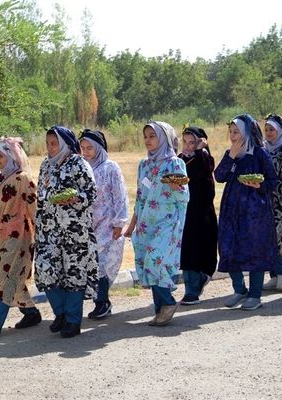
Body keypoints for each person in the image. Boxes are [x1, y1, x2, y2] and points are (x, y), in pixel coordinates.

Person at [0, 137, 42, 337]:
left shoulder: (23, 179)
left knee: (6, 275)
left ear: (12, 156)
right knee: (13, 276)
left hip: (17, 235)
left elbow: (34, 208)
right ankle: (31, 313)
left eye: (1, 156)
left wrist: (44, 233)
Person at [124, 121, 189, 326]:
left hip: (167, 222)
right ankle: (160, 309)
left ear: (164, 138)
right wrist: (132, 226)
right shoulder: (144, 165)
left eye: (153, 136)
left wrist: (175, 185)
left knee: (155, 260)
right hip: (145, 224)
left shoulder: (175, 164)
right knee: (146, 261)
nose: (148, 141)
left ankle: (168, 303)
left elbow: (184, 196)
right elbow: (141, 198)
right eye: (146, 136)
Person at [35, 125, 98, 338]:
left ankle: (72, 320)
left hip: (75, 230)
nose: (50, 148)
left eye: (54, 144)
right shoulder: (45, 165)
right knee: (46, 270)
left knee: (74, 274)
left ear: (64, 144)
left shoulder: (79, 163)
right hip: (48, 229)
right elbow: (41, 195)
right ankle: (60, 312)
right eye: (48, 144)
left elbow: (91, 193)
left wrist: (76, 198)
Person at [214, 114, 279, 310]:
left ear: (246, 133)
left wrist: (259, 185)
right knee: (228, 248)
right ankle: (239, 290)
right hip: (231, 211)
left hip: (255, 213)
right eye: (231, 132)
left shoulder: (260, 153)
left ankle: (255, 295)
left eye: (237, 132)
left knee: (254, 252)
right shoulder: (231, 154)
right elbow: (219, 176)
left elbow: (273, 182)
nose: (233, 136)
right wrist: (231, 155)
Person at [78, 129, 128, 319]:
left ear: (99, 147)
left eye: (90, 148)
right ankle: (99, 300)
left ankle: (102, 302)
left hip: (107, 224)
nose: (86, 152)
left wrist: (119, 222)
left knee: (102, 264)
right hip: (87, 225)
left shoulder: (110, 167)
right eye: (83, 148)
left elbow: (120, 195)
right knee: (91, 264)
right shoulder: (82, 167)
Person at [177, 126, 218, 305]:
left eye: (192, 142)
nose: (187, 146)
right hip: (185, 214)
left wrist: (201, 149)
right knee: (187, 252)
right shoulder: (179, 160)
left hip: (202, 215)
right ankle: (191, 291)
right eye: (185, 142)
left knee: (202, 251)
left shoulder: (205, 159)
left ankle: (202, 278)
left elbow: (205, 172)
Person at [262, 114, 282, 291]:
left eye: (272, 129)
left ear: (281, 130)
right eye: (266, 129)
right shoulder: (264, 149)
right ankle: (275, 275)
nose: (268, 133)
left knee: (280, 236)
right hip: (267, 198)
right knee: (269, 236)